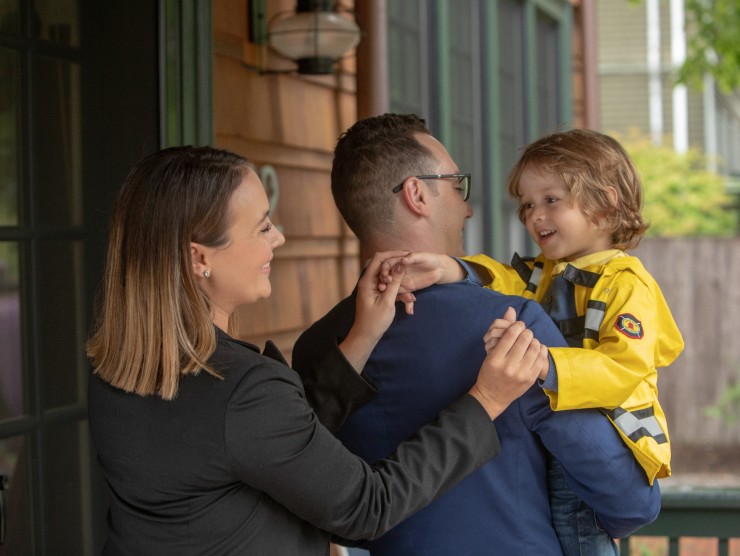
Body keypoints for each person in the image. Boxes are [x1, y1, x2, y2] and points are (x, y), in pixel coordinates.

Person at [85, 145, 548, 555]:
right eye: (262, 227)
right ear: (199, 258)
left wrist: (363, 335)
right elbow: (369, 506)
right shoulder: (242, 390)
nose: (278, 238)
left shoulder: (116, 373)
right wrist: (486, 400)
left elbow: (270, 445)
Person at [292, 114, 662, 556]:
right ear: (417, 194)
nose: (468, 206)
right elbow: (627, 499)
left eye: (549, 200)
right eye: (456, 186)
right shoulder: (514, 326)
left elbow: (329, 504)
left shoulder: (316, 348)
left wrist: (454, 269)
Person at [384, 128, 684, 555]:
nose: (534, 215)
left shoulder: (627, 283)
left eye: (550, 200)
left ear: (606, 201)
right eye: (526, 204)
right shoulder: (544, 272)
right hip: (559, 445)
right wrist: (450, 269)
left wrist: (547, 363)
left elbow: (623, 368)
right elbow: (501, 280)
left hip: (610, 437)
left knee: (582, 536)